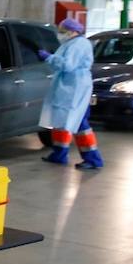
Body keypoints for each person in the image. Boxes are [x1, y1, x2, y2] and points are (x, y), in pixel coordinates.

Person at [38, 17, 102, 169]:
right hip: (67, 86)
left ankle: (93, 159)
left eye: (63, 31)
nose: (61, 34)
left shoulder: (79, 44)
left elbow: (68, 65)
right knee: (61, 121)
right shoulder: (71, 43)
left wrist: (50, 57)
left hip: (75, 88)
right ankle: (59, 154)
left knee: (79, 123)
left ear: (74, 31)